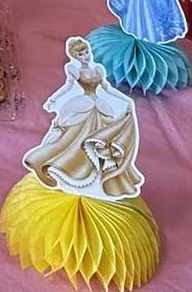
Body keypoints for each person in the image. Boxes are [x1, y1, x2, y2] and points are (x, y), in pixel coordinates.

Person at [20, 37, 144, 200]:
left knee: (102, 141)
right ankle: (62, 166)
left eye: (86, 52)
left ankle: (100, 180)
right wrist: (53, 99)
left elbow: (107, 88)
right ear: (75, 57)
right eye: (81, 54)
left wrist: (126, 100)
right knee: (71, 140)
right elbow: (68, 86)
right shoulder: (73, 69)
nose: (86, 56)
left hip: (99, 106)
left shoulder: (99, 69)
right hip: (83, 105)